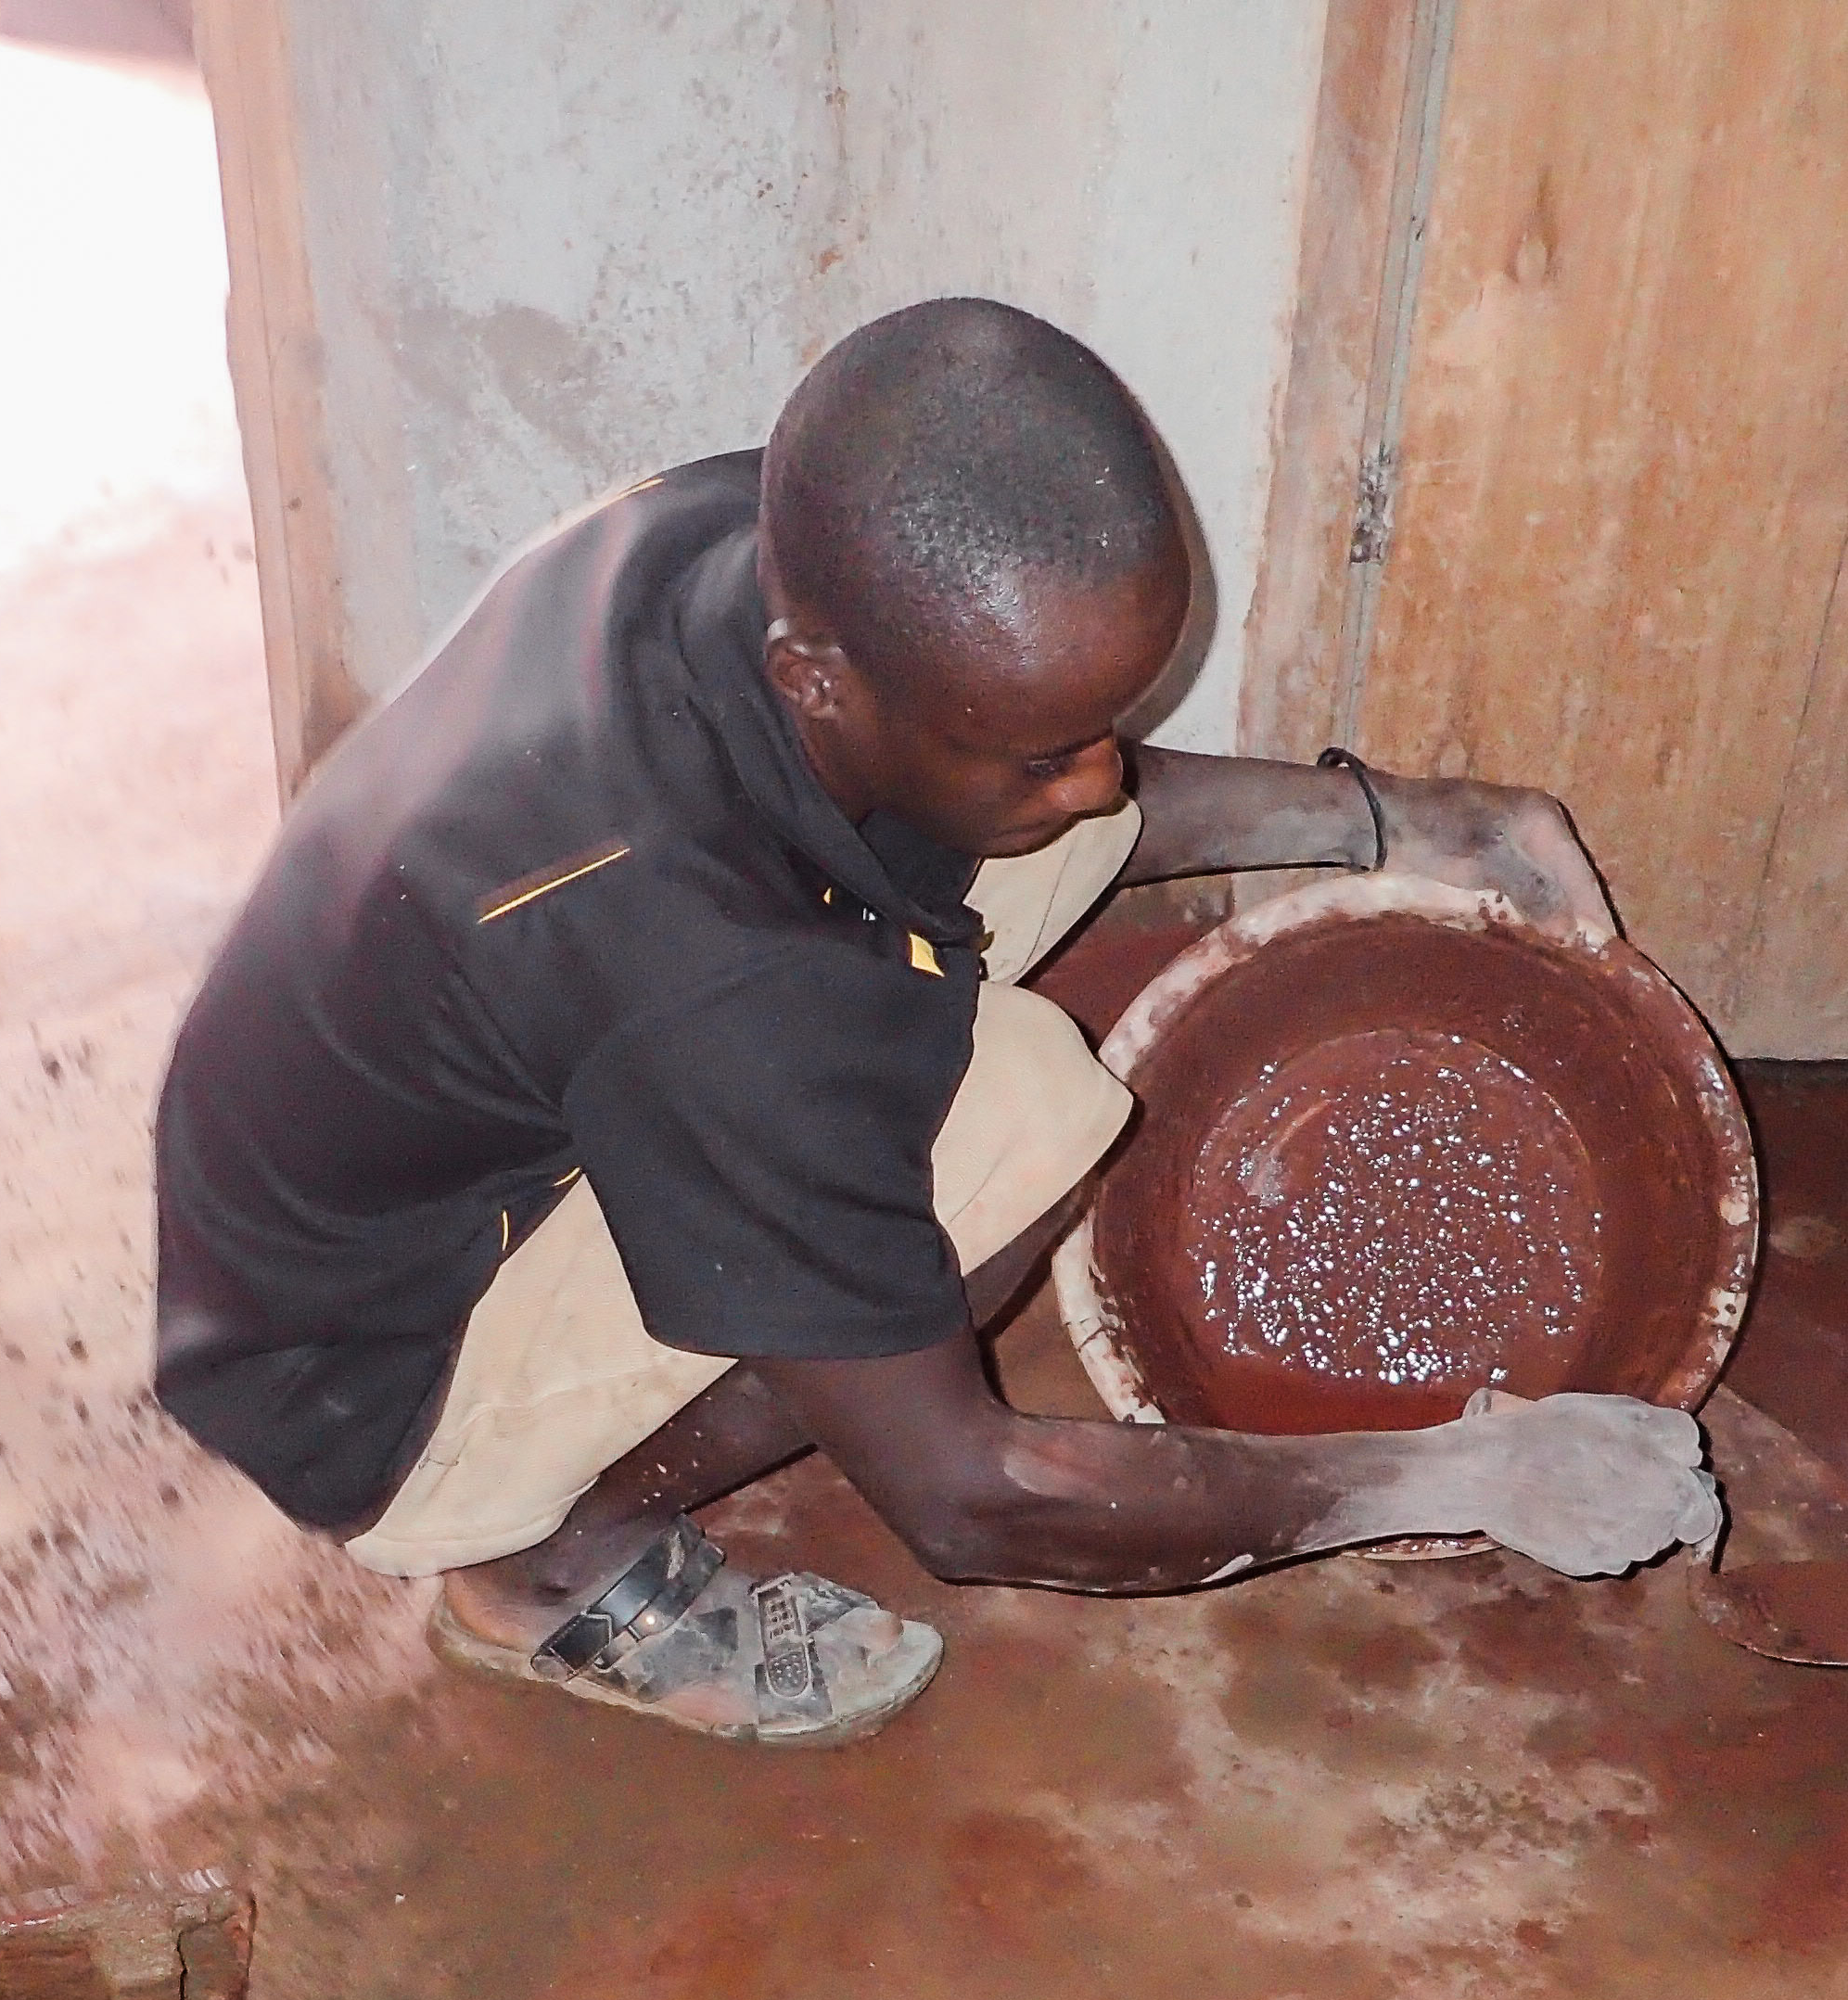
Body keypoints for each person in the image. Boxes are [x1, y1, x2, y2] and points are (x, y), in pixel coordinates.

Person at [152, 297, 1720, 1746]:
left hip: (452, 1110)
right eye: (1045, 750)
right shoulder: (718, 986)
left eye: (1103, 726)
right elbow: (978, 1500)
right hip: (368, 1374)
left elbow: (1046, 782)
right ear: (818, 678)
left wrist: (1395, 819)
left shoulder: (742, 544)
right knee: (1024, 1114)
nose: (1102, 775)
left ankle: (635, 1392)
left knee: (980, 893)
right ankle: (547, 1563)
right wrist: (1466, 1472)